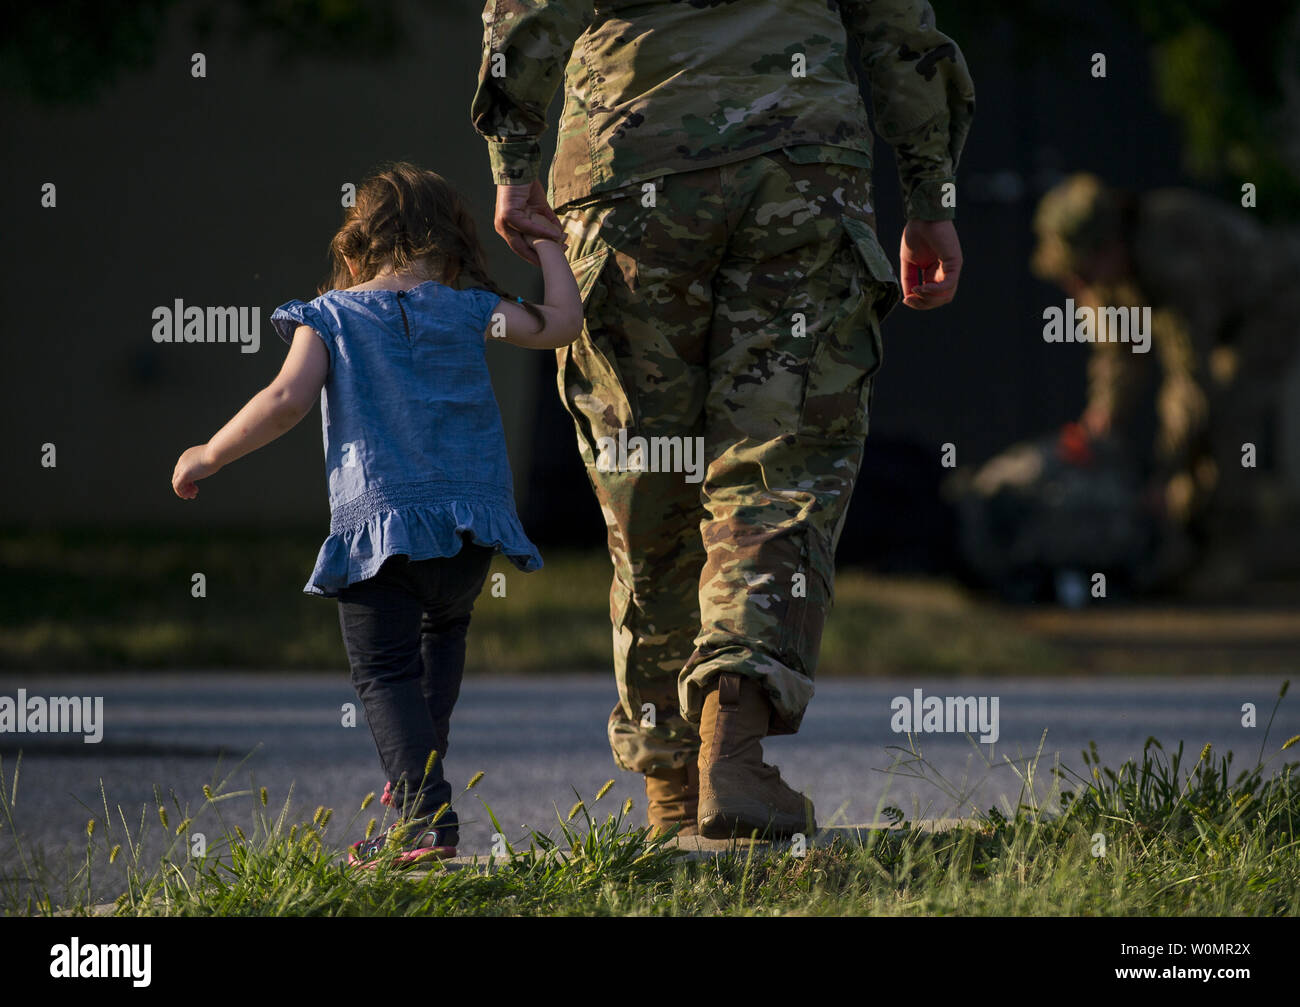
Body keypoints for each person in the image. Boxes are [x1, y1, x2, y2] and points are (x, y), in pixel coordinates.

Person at [472, 1, 974, 837]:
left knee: (645, 476)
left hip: (629, 155)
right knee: (781, 459)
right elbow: (899, 26)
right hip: (800, 159)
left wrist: (513, 159)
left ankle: (671, 783)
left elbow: (529, 10)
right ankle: (730, 747)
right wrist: (931, 193)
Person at [170, 162, 582, 865]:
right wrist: (547, 240)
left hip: (381, 531)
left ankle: (425, 816)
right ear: (454, 249)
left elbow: (285, 402)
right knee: (441, 637)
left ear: (354, 252)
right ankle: (415, 782)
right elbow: (562, 324)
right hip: (467, 528)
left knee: (385, 672)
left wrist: (208, 452)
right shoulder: (468, 305)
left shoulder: (327, 315)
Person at [1032, 173, 1300, 592]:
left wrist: (1165, 474)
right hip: (1222, 316)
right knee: (1197, 423)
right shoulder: (1107, 278)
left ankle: (1226, 554)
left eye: (1081, 269)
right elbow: (1118, 357)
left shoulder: (1171, 257)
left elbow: (1192, 384)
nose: (1075, 285)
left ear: (1111, 246)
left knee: (1228, 417)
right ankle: (1185, 548)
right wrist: (1100, 424)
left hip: (1268, 306)